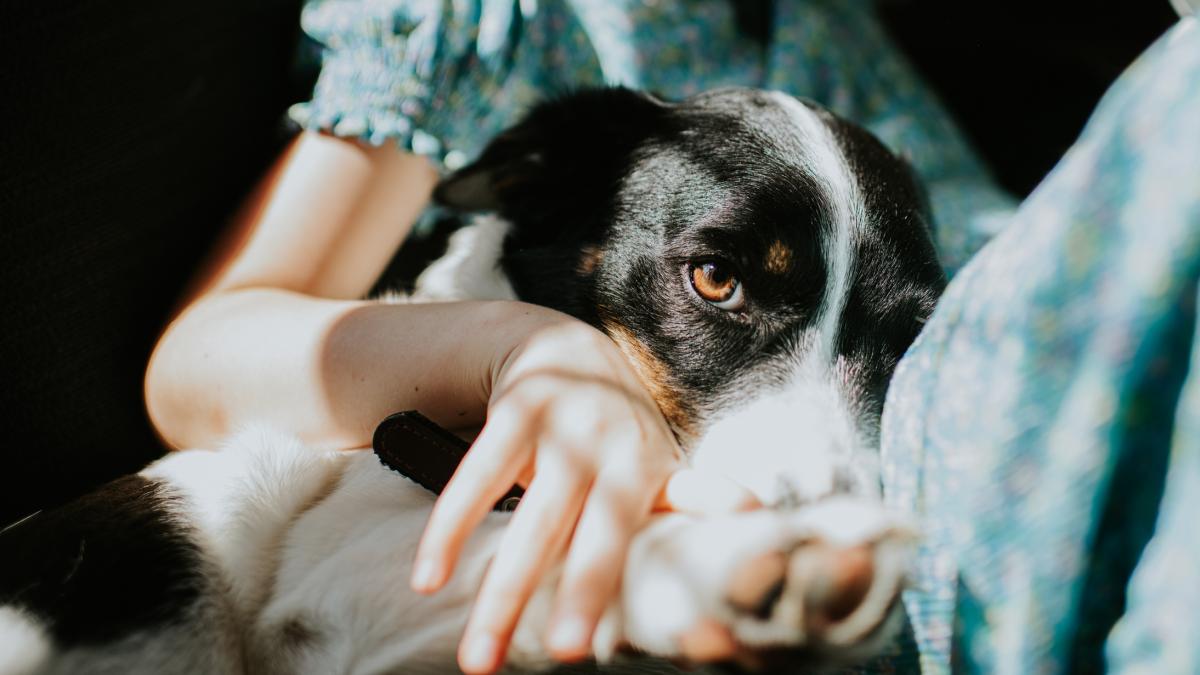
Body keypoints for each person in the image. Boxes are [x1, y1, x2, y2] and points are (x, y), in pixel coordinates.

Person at [144, 1, 1200, 673]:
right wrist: (528, 354)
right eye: (719, 277)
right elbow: (200, 361)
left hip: (1030, 368)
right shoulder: (482, 18)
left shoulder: (832, 25)